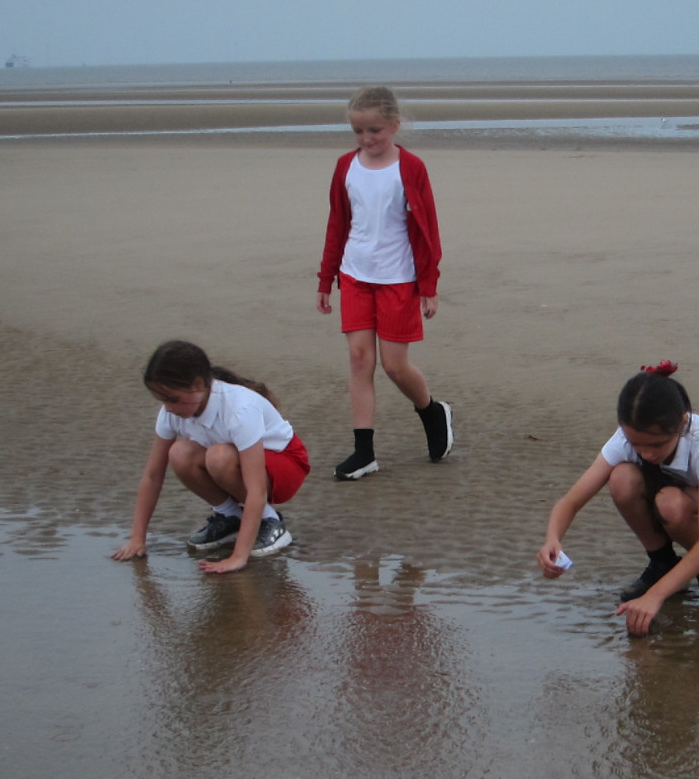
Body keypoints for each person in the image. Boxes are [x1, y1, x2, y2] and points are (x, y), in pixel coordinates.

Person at [537, 361, 699, 636]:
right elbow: (570, 501)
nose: (646, 454)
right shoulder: (626, 438)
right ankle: (662, 563)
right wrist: (552, 539)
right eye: (635, 444)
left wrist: (654, 597)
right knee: (622, 478)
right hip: (674, 495)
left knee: (669, 503)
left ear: (682, 423)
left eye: (656, 445)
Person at [315, 85, 453, 480]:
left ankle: (431, 411)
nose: (366, 139)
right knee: (360, 359)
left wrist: (428, 285)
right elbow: (337, 224)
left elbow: (427, 230)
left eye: (373, 130)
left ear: (394, 125)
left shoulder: (411, 168)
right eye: (358, 131)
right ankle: (364, 452)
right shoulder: (345, 167)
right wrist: (326, 278)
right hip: (355, 274)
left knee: (394, 366)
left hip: (399, 278)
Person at [112, 340, 311, 574]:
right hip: (240, 464)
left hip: (286, 463)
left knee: (218, 457)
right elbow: (153, 475)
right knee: (179, 452)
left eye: (172, 399)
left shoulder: (240, 409)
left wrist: (238, 557)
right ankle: (230, 517)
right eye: (162, 400)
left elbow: (256, 489)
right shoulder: (171, 412)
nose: (168, 408)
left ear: (198, 384)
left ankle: (271, 521)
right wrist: (137, 538)